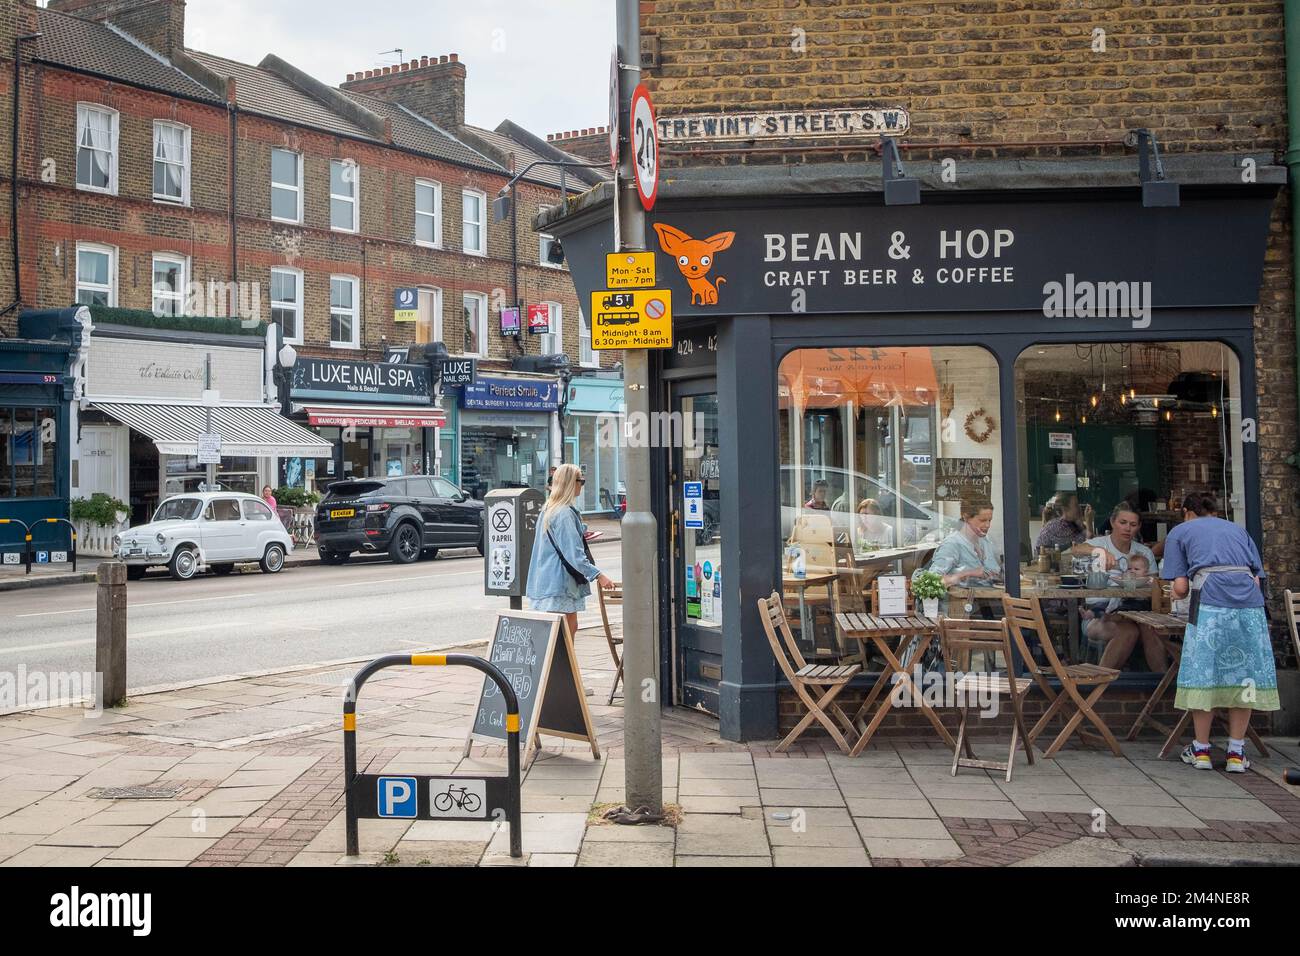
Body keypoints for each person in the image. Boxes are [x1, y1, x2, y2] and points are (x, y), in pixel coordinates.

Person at [1163, 493, 1276, 772]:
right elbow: (1257, 577)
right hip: (1249, 607)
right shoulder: (1238, 530)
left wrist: (1178, 594)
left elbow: (1179, 588)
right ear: (1215, 511)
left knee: (1205, 674)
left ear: (1187, 511)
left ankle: (1201, 751)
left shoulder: (1180, 532)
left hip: (1211, 605)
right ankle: (1236, 753)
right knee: (1244, 676)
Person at [526, 463, 615, 641]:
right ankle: (563, 669)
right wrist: (598, 575)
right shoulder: (565, 513)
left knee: (555, 636)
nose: (582, 484)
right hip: (561, 584)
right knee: (566, 633)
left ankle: (559, 669)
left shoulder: (548, 509)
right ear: (569, 483)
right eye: (580, 480)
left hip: (545, 583)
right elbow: (574, 555)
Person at [1079, 503, 1163, 671]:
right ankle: (1100, 685)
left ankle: (1163, 684)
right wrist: (1101, 552)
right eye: (1122, 523)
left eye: (1132, 525)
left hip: (1135, 611)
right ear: (1112, 522)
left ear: (1138, 527)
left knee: (1150, 629)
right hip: (1098, 613)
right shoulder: (1100, 543)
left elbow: (1154, 585)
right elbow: (1075, 549)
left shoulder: (1143, 552)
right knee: (1128, 631)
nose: (1127, 529)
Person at [920, 497, 1002, 590]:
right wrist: (966, 574)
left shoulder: (986, 541)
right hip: (961, 603)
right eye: (982, 520)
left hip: (991, 600)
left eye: (989, 520)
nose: (988, 525)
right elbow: (930, 583)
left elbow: (995, 571)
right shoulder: (952, 544)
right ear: (966, 517)